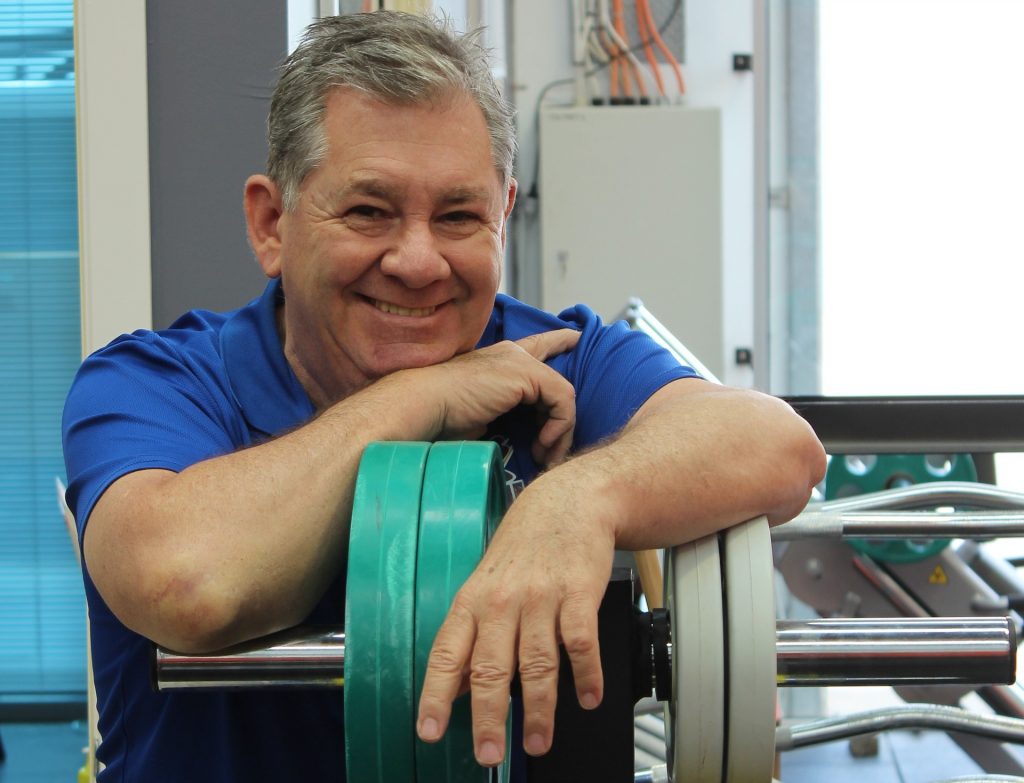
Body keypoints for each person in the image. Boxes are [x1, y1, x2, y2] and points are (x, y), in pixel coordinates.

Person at [62, 10, 825, 782]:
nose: (419, 261)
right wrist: (422, 396)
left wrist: (579, 498)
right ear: (271, 223)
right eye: (369, 211)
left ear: (503, 215)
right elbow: (185, 581)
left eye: (459, 216)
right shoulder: (150, 383)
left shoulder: (555, 358)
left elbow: (780, 447)